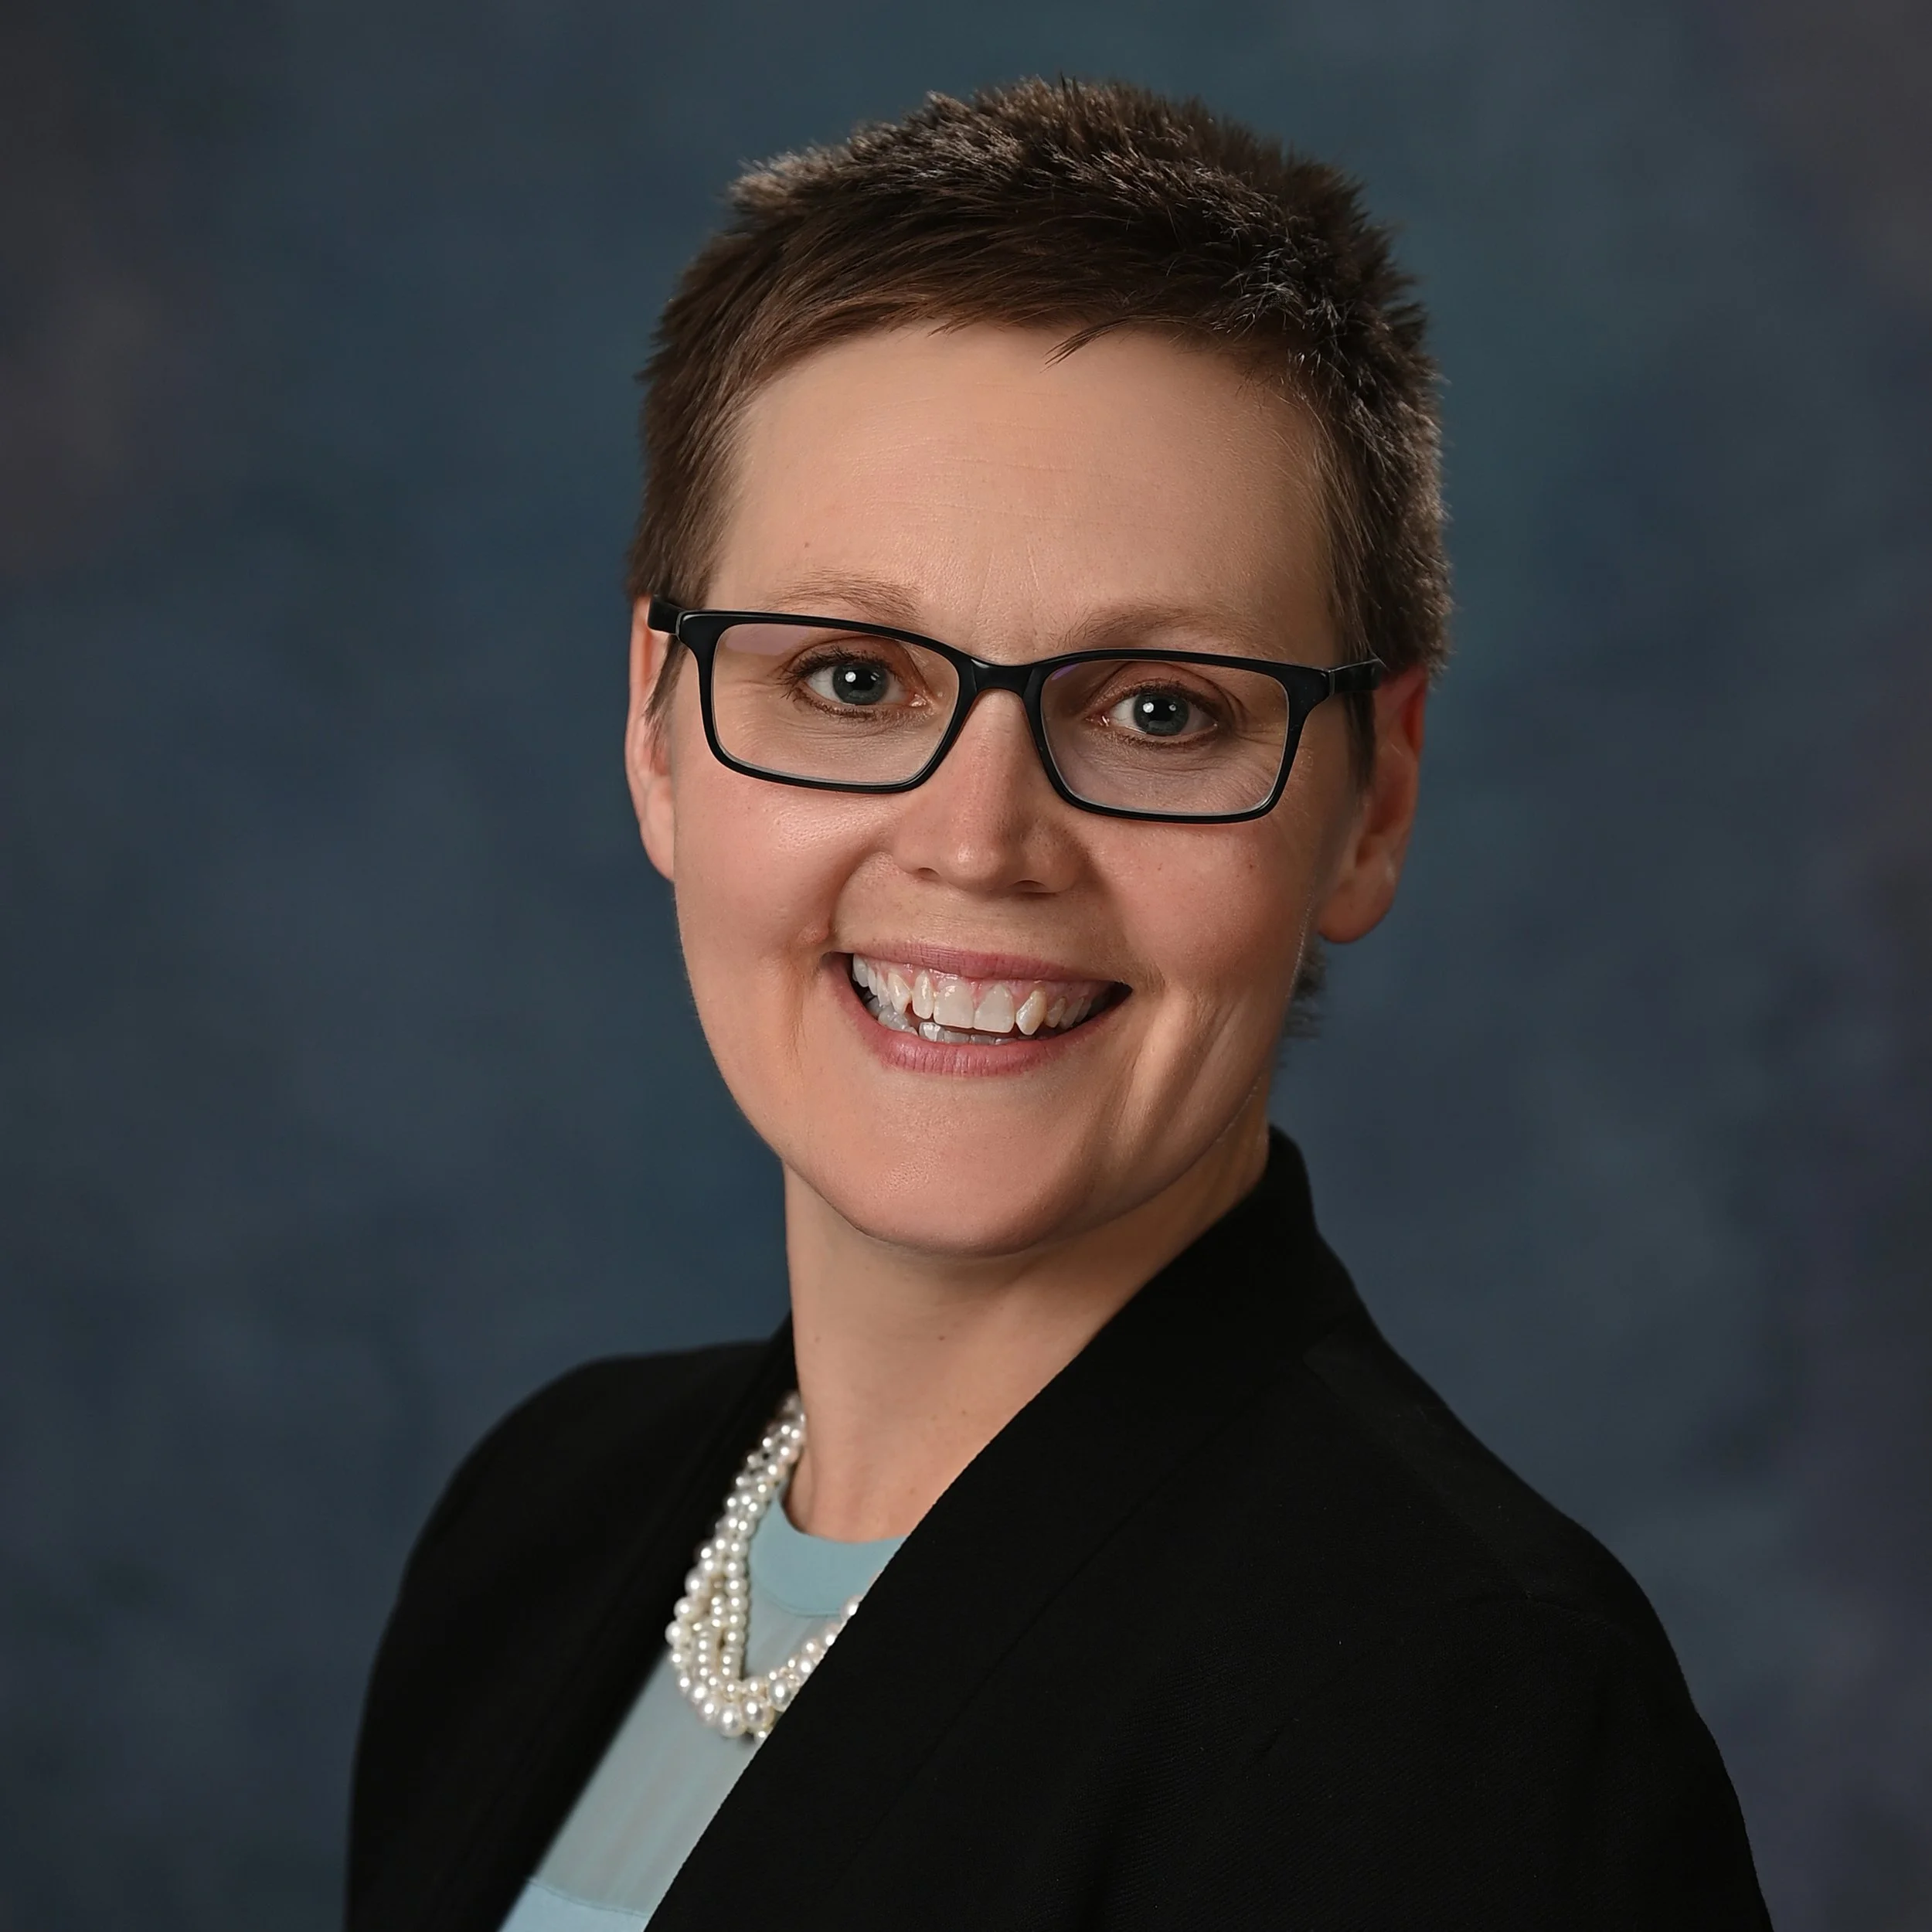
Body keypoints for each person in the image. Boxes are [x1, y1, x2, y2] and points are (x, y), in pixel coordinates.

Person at [346, 78, 1771, 1932]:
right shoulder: (539, 1526)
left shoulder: (1459, 1719)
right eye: (849, 677)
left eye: (1160, 709)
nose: (979, 841)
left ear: (1372, 800)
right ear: (656, 728)